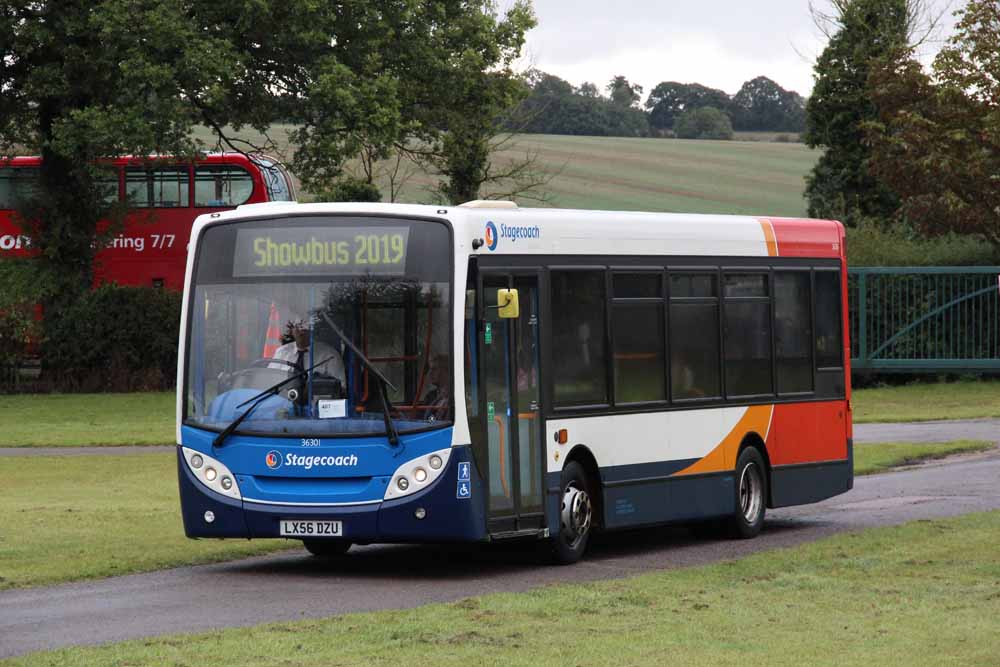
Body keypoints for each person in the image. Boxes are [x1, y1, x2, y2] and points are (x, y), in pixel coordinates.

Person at [270, 317, 346, 387]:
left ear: (312, 330)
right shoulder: (282, 352)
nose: (301, 331)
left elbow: (341, 388)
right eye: (297, 326)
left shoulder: (329, 356)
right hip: (282, 400)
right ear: (292, 331)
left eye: (304, 328)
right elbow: (268, 381)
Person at [421, 354, 450, 421]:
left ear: (446, 371)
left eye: (434, 369)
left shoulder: (454, 396)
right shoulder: (430, 396)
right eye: (430, 369)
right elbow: (423, 418)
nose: (430, 373)